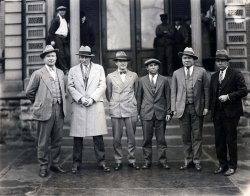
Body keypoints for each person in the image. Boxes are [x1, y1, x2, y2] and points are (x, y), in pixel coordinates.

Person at [26, 45, 67, 177]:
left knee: (57, 140)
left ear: (56, 57)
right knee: (43, 141)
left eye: (53, 56)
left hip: (59, 110)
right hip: (44, 110)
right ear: (44, 59)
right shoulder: (38, 74)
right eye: (48, 56)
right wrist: (39, 103)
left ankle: (55, 164)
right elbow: (29, 92)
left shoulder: (60, 73)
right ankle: (43, 166)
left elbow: (63, 90)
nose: (51, 58)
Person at [67, 46, 110, 173]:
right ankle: (76, 163)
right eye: (81, 57)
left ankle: (102, 161)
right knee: (78, 136)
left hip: (94, 104)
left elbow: (102, 85)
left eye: (85, 57)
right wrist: (80, 98)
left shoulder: (99, 68)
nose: (83, 59)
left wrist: (92, 98)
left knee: (97, 135)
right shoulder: (73, 70)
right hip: (79, 104)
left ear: (90, 57)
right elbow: (70, 86)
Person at [171, 47, 210, 171]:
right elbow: (173, 92)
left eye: (189, 58)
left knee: (197, 135)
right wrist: (174, 108)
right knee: (185, 136)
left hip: (197, 107)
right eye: (184, 58)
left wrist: (206, 107)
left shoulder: (202, 72)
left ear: (193, 59)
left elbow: (206, 90)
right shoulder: (176, 73)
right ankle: (188, 160)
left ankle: (197, 160)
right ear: (182, 59)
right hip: (182, 108)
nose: (186, 60)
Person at [210, 49, 248, 176]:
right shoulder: (214, 76)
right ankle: (222, 165)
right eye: (218, 61)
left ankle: (232, 166)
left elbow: (243, 91)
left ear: (227, 62)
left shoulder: (236, 74)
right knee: (219, 140)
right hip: (218, 113)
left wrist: (228, 96)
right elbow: (212, 94)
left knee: (230, 140)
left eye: (223, 61)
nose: (220, 63)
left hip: (231, 113)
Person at [106, 51, 140, 171]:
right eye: (120, 61)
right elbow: (108, 94)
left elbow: (136, 91)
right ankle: (118, 160)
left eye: (124, 61)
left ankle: (131, 159)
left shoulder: (134, 75)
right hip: (117, 109)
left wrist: (132, 103)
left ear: (127, 62)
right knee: (116, 138)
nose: (123, 63)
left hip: (130, 108)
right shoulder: (110, 77)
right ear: (116, 63)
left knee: (131, 137)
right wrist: (115, 103)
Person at [137, 58, 172, 169]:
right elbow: (139, 97)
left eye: (155, 65)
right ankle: (147, 161)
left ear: (158, 67)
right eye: (150, 65)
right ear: (147, 68)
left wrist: (168, 112)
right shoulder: (142, 80)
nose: (153, 67)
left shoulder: (164, 80)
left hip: (160, 113)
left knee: (161, 139)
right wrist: (138, 113)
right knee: (147, 139)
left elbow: (168, 97)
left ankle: (162, 160)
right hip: (146, 113)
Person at [47, 6, 70, 74]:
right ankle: (65, 70)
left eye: (63, 10)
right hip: (58, 38)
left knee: (67, 54)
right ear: (58, 11)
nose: (62, 12)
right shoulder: (56, 20)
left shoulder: (64, 19)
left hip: (64, 39)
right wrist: (52, 40)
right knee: (61, 54)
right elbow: (51, 31)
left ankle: (65, 68)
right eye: (61, 10)